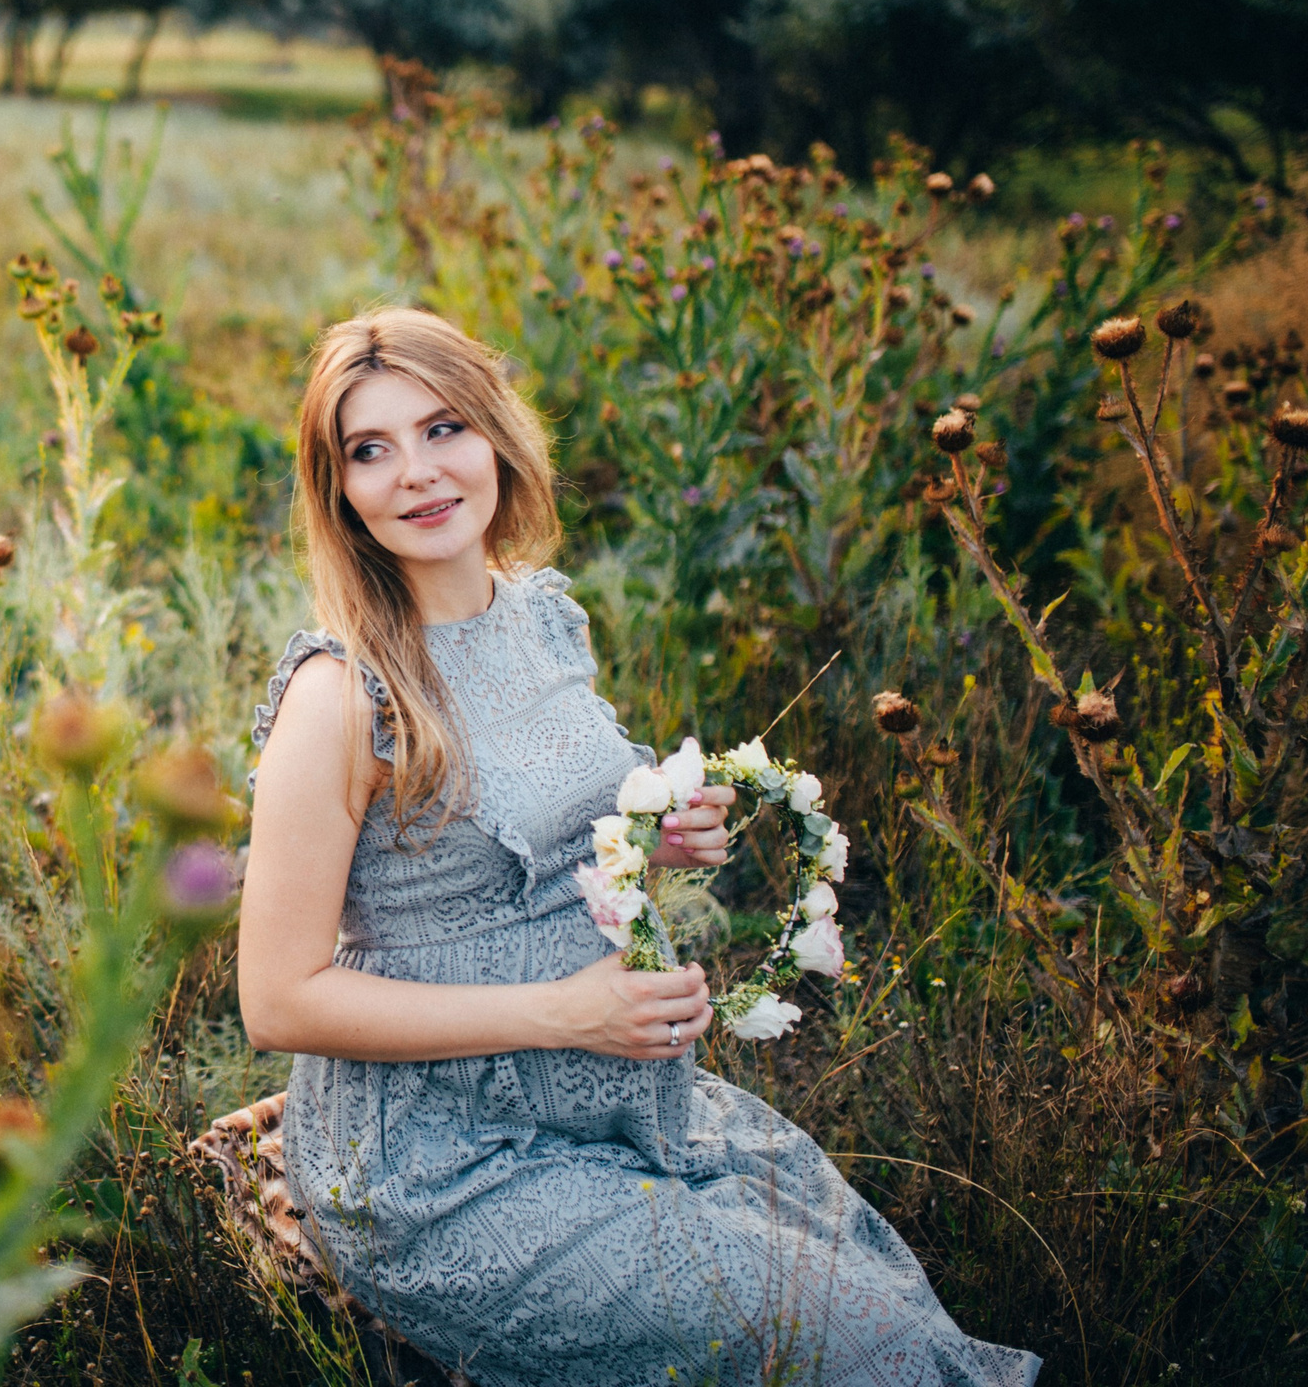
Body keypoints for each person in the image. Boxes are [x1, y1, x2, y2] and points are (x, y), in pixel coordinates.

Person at [238, 308, 1038, 1386]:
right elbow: (277, 1000)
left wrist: (654, 845)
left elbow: (539, 849)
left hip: (617, 1101)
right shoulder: (341, 698)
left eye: (443, 430)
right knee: (834, 1343)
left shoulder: (542, 617)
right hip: (442, 1166)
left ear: (497, 438)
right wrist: (561, 1012)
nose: (417, 475)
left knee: (864, 1287)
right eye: (369, 450)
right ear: (336, 489)